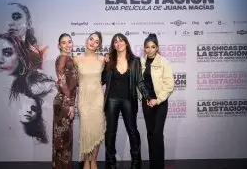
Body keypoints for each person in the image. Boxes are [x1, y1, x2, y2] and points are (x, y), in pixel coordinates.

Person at [102, 33, 150, 169]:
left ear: (126, 43)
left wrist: (148, 97)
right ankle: (110, 162)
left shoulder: (135, 61)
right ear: (113, 45)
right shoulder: (109, 60)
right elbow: (102, 79)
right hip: (111, 99)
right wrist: (102, 63)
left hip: (129, 99)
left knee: (132, 130)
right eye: (115, 42)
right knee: (110, 131)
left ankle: (136, 161)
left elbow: (140, 82)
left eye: (121, 40)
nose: (118, 43)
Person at [140, 33, 174, 169]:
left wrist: (157, 100)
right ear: (144, 49)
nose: (149, 49)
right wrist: (147, 98)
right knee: (150, 134)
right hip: (146, 103)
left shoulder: (164, 62)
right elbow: (139, 82)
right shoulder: (141, 63)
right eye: (147, 47)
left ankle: (159, 166)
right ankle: (153, 165)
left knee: (157, 135)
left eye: (152, 47)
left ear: (157, 48)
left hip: (160, 103)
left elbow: (169, 85)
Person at [73, 31, 106, 169]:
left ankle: (94, 160)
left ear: (99, 45)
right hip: (84, 99)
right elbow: (75, 79)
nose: (93, 42)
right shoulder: (77, 59)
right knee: (86, 129)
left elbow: (104, 78)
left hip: (98, 99)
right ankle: (86, 160)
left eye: (96, 41)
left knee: (97, 129)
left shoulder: (102, 59)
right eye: (91, 39)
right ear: (86, 41)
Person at [52, 33, 78, 169]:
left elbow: (72, 82)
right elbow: (62, 82)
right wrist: (71, 104)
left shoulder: (69, 59)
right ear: (59, 45)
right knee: (63, 140)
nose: (67, 45)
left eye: (69, 42)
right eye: (64, 42)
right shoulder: (62, 59)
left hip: (64, 101)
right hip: (64, 103)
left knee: (63, 139)